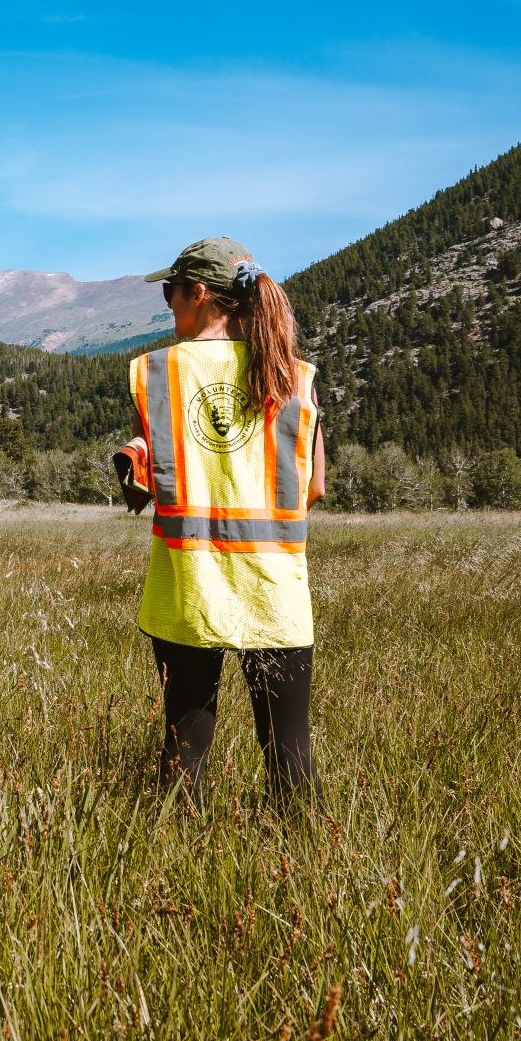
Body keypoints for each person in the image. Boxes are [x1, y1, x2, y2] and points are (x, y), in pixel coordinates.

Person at [114, 237, 327, 803]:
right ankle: (308, 859)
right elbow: (317, 486)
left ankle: (175, 865)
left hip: (189, 585)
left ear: (201, 294)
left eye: (171, 292)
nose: (168, 304)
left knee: (185, 751)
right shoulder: (292, 375)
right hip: (274, 587)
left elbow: (151, 479)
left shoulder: (157, 373)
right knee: (290, 751)